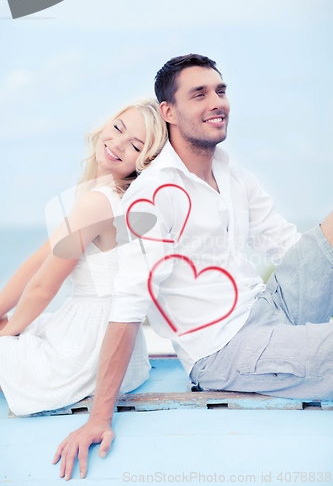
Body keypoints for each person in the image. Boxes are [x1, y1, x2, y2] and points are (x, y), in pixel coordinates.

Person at [53, 54, 333, 480]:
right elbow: (128, 309)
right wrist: (98, 418)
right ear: (169, 112)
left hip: (269, 308)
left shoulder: (233, 174)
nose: (215, 102)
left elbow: (288, 246)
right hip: (222, 349)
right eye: (198, 94)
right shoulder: (151, 197)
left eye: (220, 91)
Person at [0, 98, 168, 416]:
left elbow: (42, 288)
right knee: (12, 323)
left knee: (11, 332)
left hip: (85, 349)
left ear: (145, 161)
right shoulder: (120, 198)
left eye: (134, 145)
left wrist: (7, 332)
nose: (117, 144)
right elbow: (41, 257)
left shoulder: (96, 202)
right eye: (118, 128)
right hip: (119, 347)